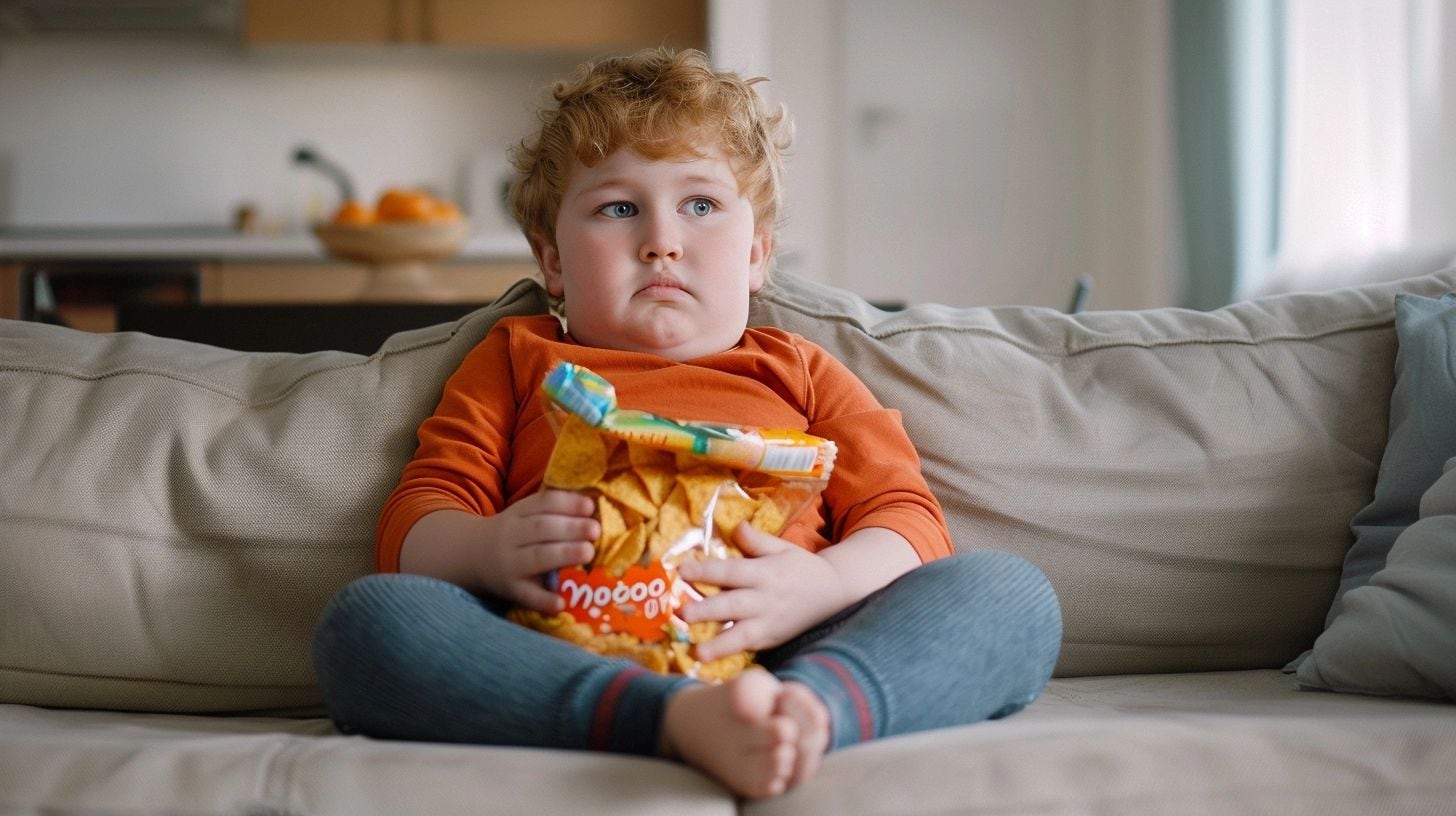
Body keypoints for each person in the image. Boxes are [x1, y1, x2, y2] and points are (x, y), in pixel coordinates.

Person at [312, 47, 1062, 800]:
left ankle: (810, 713)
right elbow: (414, 521)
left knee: (1010, 592)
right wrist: (485, 549)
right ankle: (668, 718)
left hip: (784, 640)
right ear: (555, 264)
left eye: (700, 206)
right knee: (371, 619)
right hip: (564, 638)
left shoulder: (801, 369)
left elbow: (907, 520)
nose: (661, 241)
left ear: (757, 256)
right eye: (618, 208)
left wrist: (821, 583)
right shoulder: (515, 358)